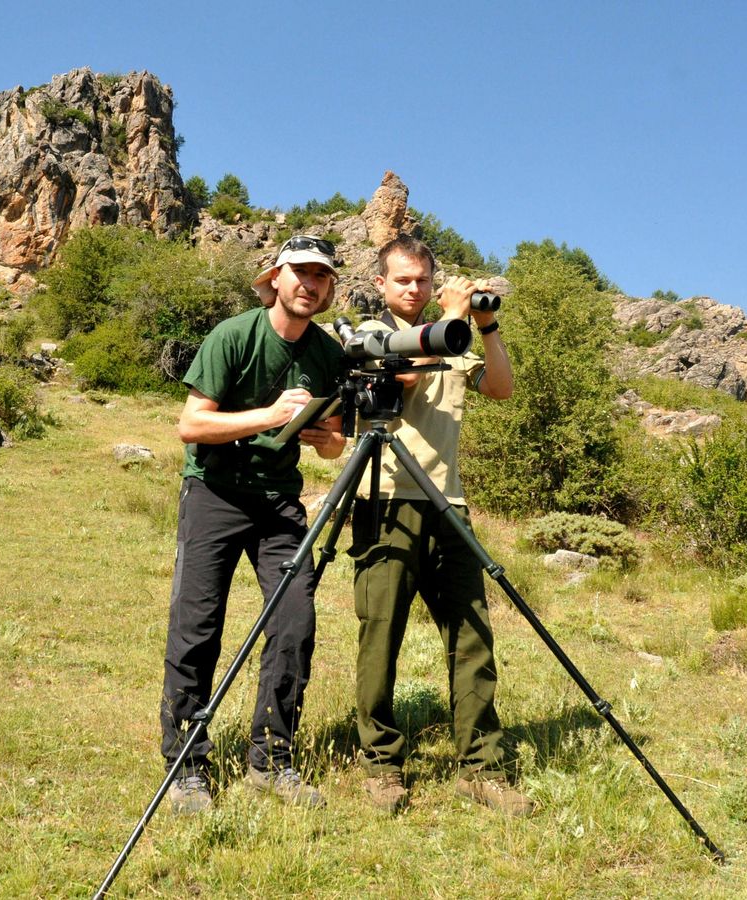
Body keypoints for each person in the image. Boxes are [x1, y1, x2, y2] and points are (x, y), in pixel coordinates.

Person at [159, 234, 347, 814]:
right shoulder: (234, 335)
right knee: (198, 627)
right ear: (276, 277)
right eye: (301, 273)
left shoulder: (328, 353)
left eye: (321, 277)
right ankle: (186, 765)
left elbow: (335, 445)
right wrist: (269, 416)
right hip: (213, 491)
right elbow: (191, 426)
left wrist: (318, 434)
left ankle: (271, 759)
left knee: (295, 624)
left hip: (279, 502)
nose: (310, 285)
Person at [348, 234, 533, 815]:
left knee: (472, 636)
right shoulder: (366, 333)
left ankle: (482, 766)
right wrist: (451, 316)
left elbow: (500, 388)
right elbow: (398, 378)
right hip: (385, 498)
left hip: (448, 502)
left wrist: (485, 326)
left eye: (423, 281)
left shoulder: (453, 339)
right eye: (403, 280)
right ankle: (381, 763)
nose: (415, 290)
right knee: (382, 635)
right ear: (382, 284)